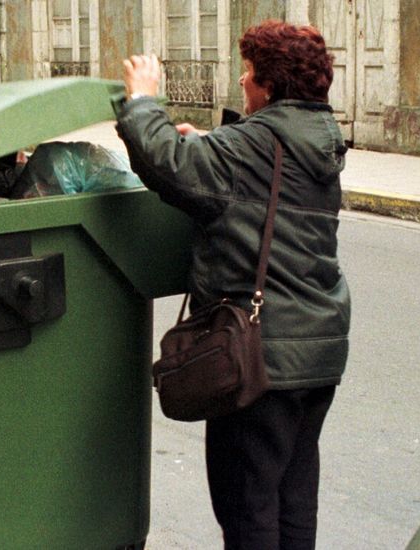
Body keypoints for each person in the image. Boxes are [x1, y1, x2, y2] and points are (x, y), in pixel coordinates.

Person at [116, 20, 351, 550]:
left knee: (248, 509)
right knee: (293, 501)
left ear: (269, 86)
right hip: (318, 353)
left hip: (260, 358)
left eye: (247, 73)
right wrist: (213, 144)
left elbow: (166, 162)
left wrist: (142, 100)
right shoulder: (318, 139)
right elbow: (257, 179)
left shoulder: (253, 144)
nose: (242, 82)